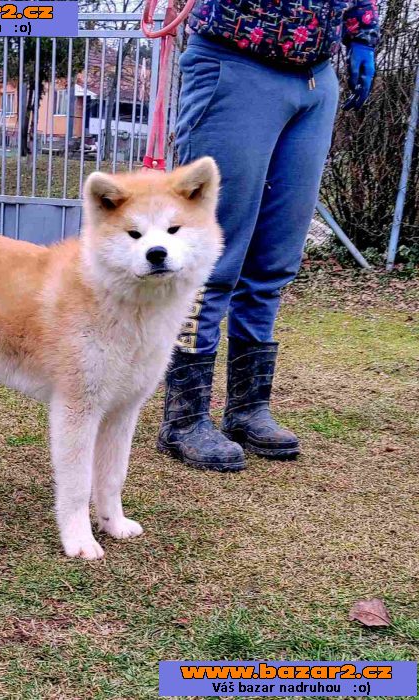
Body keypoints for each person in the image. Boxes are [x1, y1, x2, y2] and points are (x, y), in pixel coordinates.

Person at [158, 0, 379, 471]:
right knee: (211, 256)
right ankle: (185, 417)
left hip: (315, 78)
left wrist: (362, 32)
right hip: (235, 63)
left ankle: (248, 408)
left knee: (274, 258)